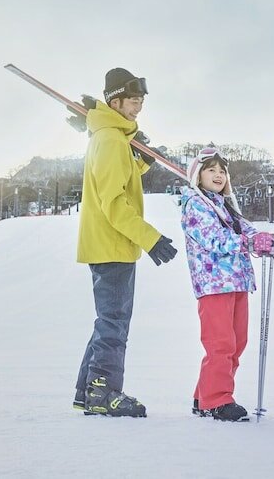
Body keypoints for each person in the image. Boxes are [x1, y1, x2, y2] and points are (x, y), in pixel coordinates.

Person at [73, 67, 178, 418]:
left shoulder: (111, 137)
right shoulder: (110, 140)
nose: (139, 107)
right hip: (112, 244)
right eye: (133, 100)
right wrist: (152, 238)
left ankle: (88, 391)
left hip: (110, 244)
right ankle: (103, 393)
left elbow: (120, 178)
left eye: (141, 101)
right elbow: (114, 203)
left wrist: (142, 163)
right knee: (114, 323)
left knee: (108, 320)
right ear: (115, 102)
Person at [180, 147, 274, 422]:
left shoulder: (224, 205)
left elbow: (245, 229)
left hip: (237, 281)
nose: (218, 175)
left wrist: (265, 241)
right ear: (198, 176)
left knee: (237, 343)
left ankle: (204, 396)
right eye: (211, 170)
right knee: (221, 344)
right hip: (214, 284)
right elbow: (214, 239)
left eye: (222, 171)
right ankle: (217, 400)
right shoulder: (196, 204)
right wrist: (249, 243)